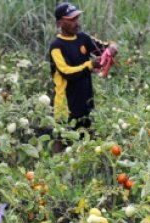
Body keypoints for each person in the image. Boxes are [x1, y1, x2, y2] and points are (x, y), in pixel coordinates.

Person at [49, 2, 117, 131]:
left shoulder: (83, 38)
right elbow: (66, 72)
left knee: (86, 144)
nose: (76, 22)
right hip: (66, 107)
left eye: (76, 18)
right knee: (65, 143)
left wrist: (112, 47)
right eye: (70, 19)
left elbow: (102, 48)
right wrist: (90, 65)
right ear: (59, 23)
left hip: (86, 103)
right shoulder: (56, 46)